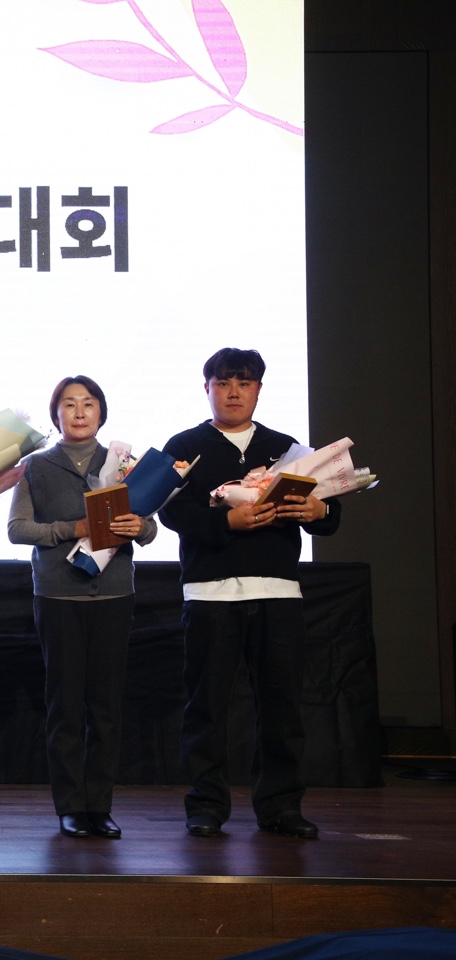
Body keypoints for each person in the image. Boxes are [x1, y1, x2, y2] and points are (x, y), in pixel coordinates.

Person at [159, 348, 341, 839]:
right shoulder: (185, 445)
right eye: (223, 383)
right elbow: (170, 511)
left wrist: (319, 512)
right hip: (211, 593)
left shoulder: (287, 447)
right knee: (207, 707)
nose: (233, 392)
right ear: (207, 389)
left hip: (278, 591)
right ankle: (206, 805)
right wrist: (226, 521)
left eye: (244, 383)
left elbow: (329, 512)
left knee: (282, 706)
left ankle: (281, 806)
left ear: (259, 389)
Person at [7, 376, 156, 839]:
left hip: (114, 595)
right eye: (69, 404)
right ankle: (71, 807)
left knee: (106, 708)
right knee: (66, 707)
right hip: (58, 597)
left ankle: (100, 806)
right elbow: (17, 529)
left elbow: (150, 528)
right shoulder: (35, 466)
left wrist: (138, 527)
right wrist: (69, 529)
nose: (78, 412)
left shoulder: (124, 465)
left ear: (100, 412)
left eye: (88, 404)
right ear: (56, 415)